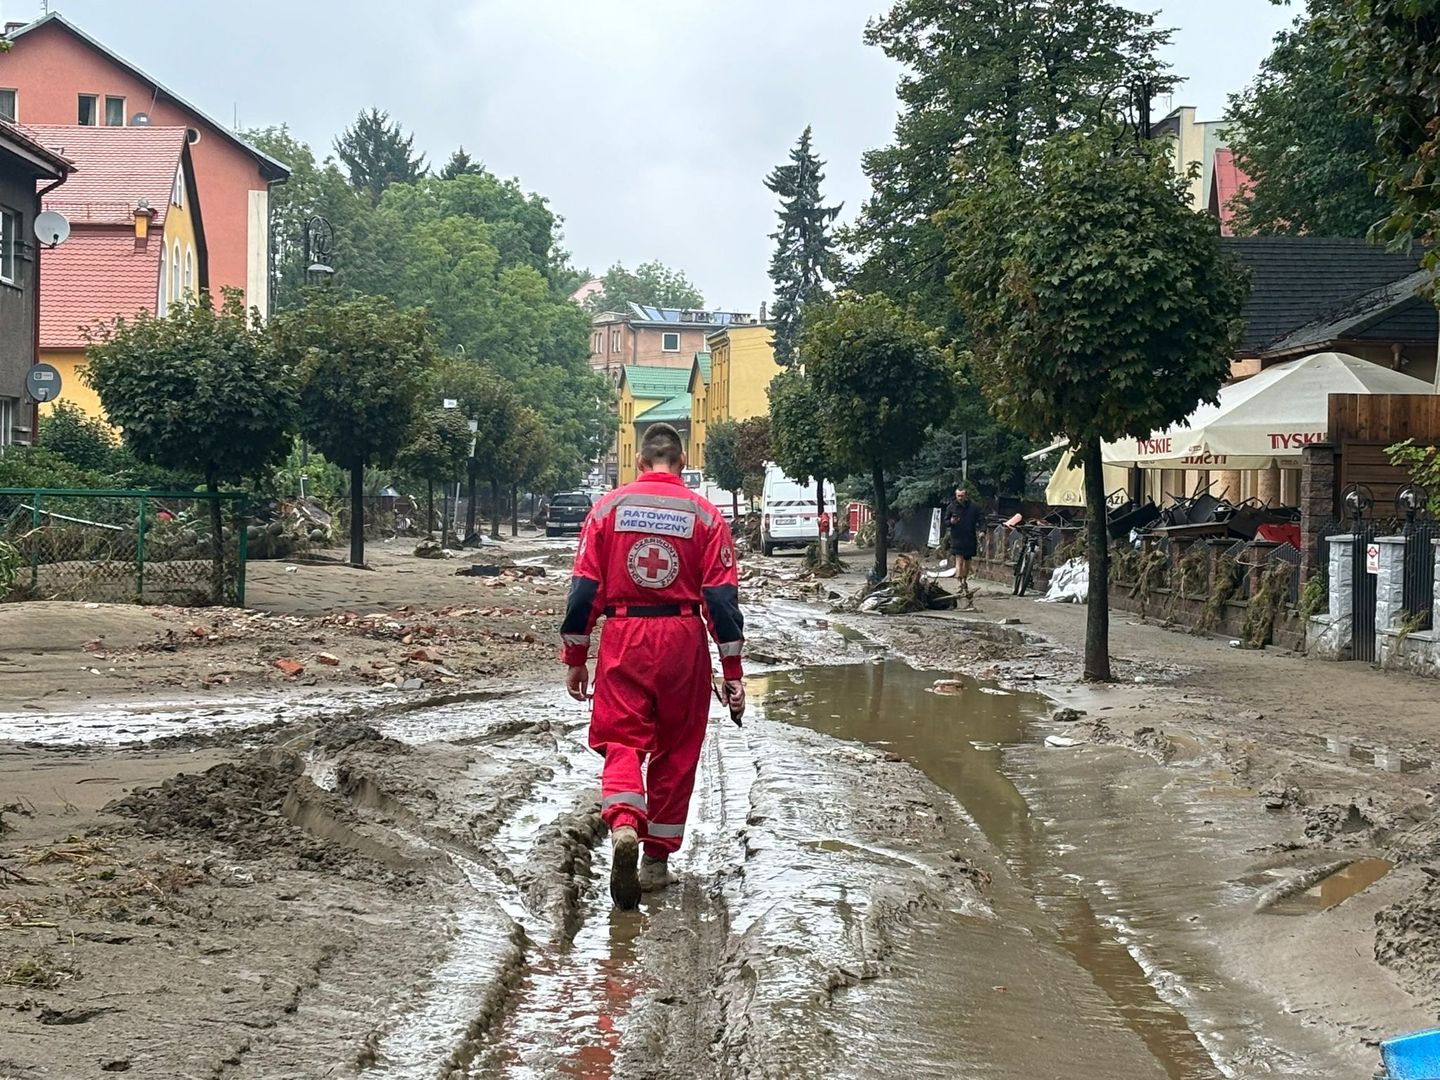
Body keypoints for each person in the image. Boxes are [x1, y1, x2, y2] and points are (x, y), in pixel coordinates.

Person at [561, 422, 745, 910]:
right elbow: (721, 600)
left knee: (622, 738)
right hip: (683, 638)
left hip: (624, 635)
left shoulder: (607, 509)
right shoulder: (705, 515)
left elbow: (583, 591)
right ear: (682, 463)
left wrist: (576, 658)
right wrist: (732, 672)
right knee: (678, 749)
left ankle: (624, 822)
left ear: (640, 462)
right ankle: (655, 861)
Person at [946, 487, 979, 595]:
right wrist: (951, 522)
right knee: (959, 561)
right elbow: (946, 522)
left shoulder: (973, 507)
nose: (960, 498)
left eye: (962, 496)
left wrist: (982, 531)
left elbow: (981, 519)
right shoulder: (951, 507)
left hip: (970, 537)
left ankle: (964, 580)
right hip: (957, 537)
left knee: (967, 562)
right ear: (956, 496)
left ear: (966, 496)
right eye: (958, 496)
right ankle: (959, 583)